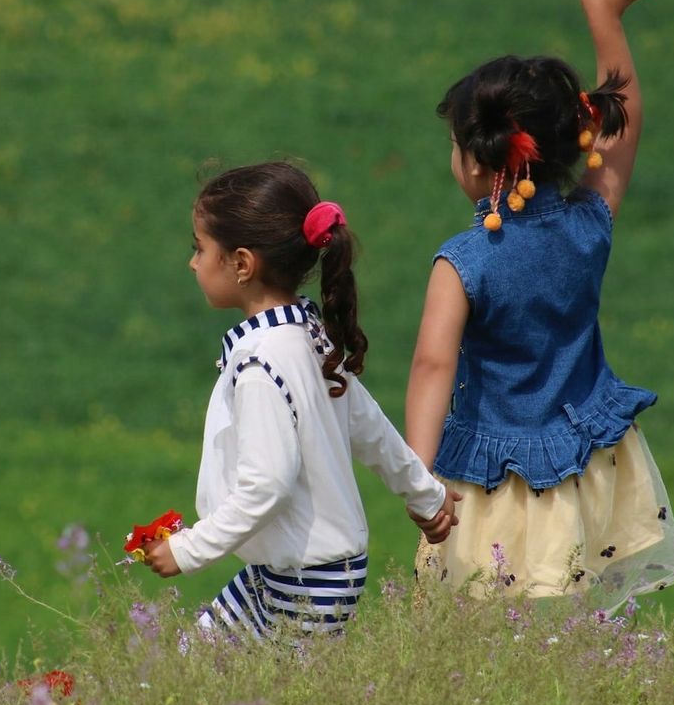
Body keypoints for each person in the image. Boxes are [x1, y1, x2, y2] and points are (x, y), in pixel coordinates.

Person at [404, 0, 674, 610]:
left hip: (496, 488)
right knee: (575, 628)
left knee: (482, 640)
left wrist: (417, 478)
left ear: (479, 162)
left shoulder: (462, 261)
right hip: (587, 474)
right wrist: (606, 23)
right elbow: (625, 119)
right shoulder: (589, 223)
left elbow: (431, 367)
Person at [141, 161, 458, 638]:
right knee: (194, 667)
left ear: (242, 264)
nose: (192, 261)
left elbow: (267, 485)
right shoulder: (306, 336)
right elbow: (370, 427)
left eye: (200, 248)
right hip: (297, 571)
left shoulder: (261, 365)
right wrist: (426, 495)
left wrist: (189, 549)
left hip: (306, 581)